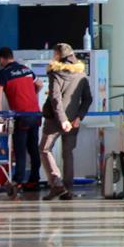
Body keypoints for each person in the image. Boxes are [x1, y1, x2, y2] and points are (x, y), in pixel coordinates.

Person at [40, 44, 92, 201]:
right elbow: (88, 99)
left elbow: (55, 99)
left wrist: (62, 120)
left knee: (44, 149)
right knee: (67, 154)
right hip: (74, 121)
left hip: (54, 120)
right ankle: (67, 190)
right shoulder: (81, 74)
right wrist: (78, 118)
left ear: (58, 55)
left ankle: (57, 185)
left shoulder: (55, 74)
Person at [0, 47, 43, 187]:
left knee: (20, 148)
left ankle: (18, 181)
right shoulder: (26, 69)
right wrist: (33, 94)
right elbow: (39, 84)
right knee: (33, 148)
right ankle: (34, 180)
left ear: (1, 59)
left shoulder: (3, 73)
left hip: (21, 115)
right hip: (35, 113)